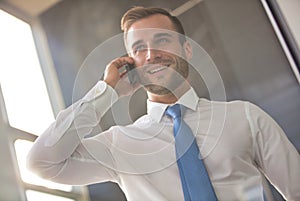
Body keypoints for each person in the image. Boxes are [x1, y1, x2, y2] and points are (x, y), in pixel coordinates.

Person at [27, 6, 300, 201]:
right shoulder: (119, 144)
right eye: (138, 49)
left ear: (187, 49)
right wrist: (106, 92)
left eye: (162, 40)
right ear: (131, 62)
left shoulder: (245, 116)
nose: (151, 54)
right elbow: (41, 162)